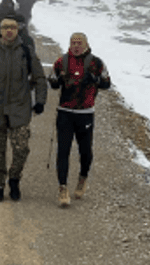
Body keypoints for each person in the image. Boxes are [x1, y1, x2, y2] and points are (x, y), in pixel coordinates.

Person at [0, 16, 47, 202]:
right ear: (0, 31)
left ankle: (14, 179)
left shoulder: (26, 51)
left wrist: (40, 101)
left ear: (17, 29)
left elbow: (40, 78)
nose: (9, 30)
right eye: (5, 27)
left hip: (19, 109)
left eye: (12, 27)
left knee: (21, 149)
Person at [47, 32, 111, 207]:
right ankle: (63, 188)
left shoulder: (96, 63)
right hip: (65, 112)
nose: (76, 46)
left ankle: (83, 177)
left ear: (86, 44)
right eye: (73, 43)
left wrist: (95, 79)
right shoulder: (61, 61)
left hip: (85, 113)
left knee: (85, 151)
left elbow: (107, 84)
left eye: (79, 43)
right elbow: (52, 82)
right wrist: (56, 81)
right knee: (63, 151)